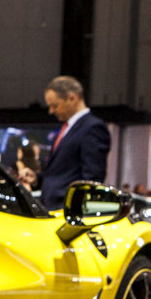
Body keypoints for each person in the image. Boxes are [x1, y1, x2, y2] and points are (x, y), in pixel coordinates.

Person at [16, 75, 111, 210]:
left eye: (54, 105)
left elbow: (92, 179)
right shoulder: (66, 129)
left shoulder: (93, 128)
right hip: (52, 208)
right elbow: (59, 174)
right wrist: (36, 178)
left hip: (67, 211)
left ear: (72, 98)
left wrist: (75, 213)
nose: (51, 111)